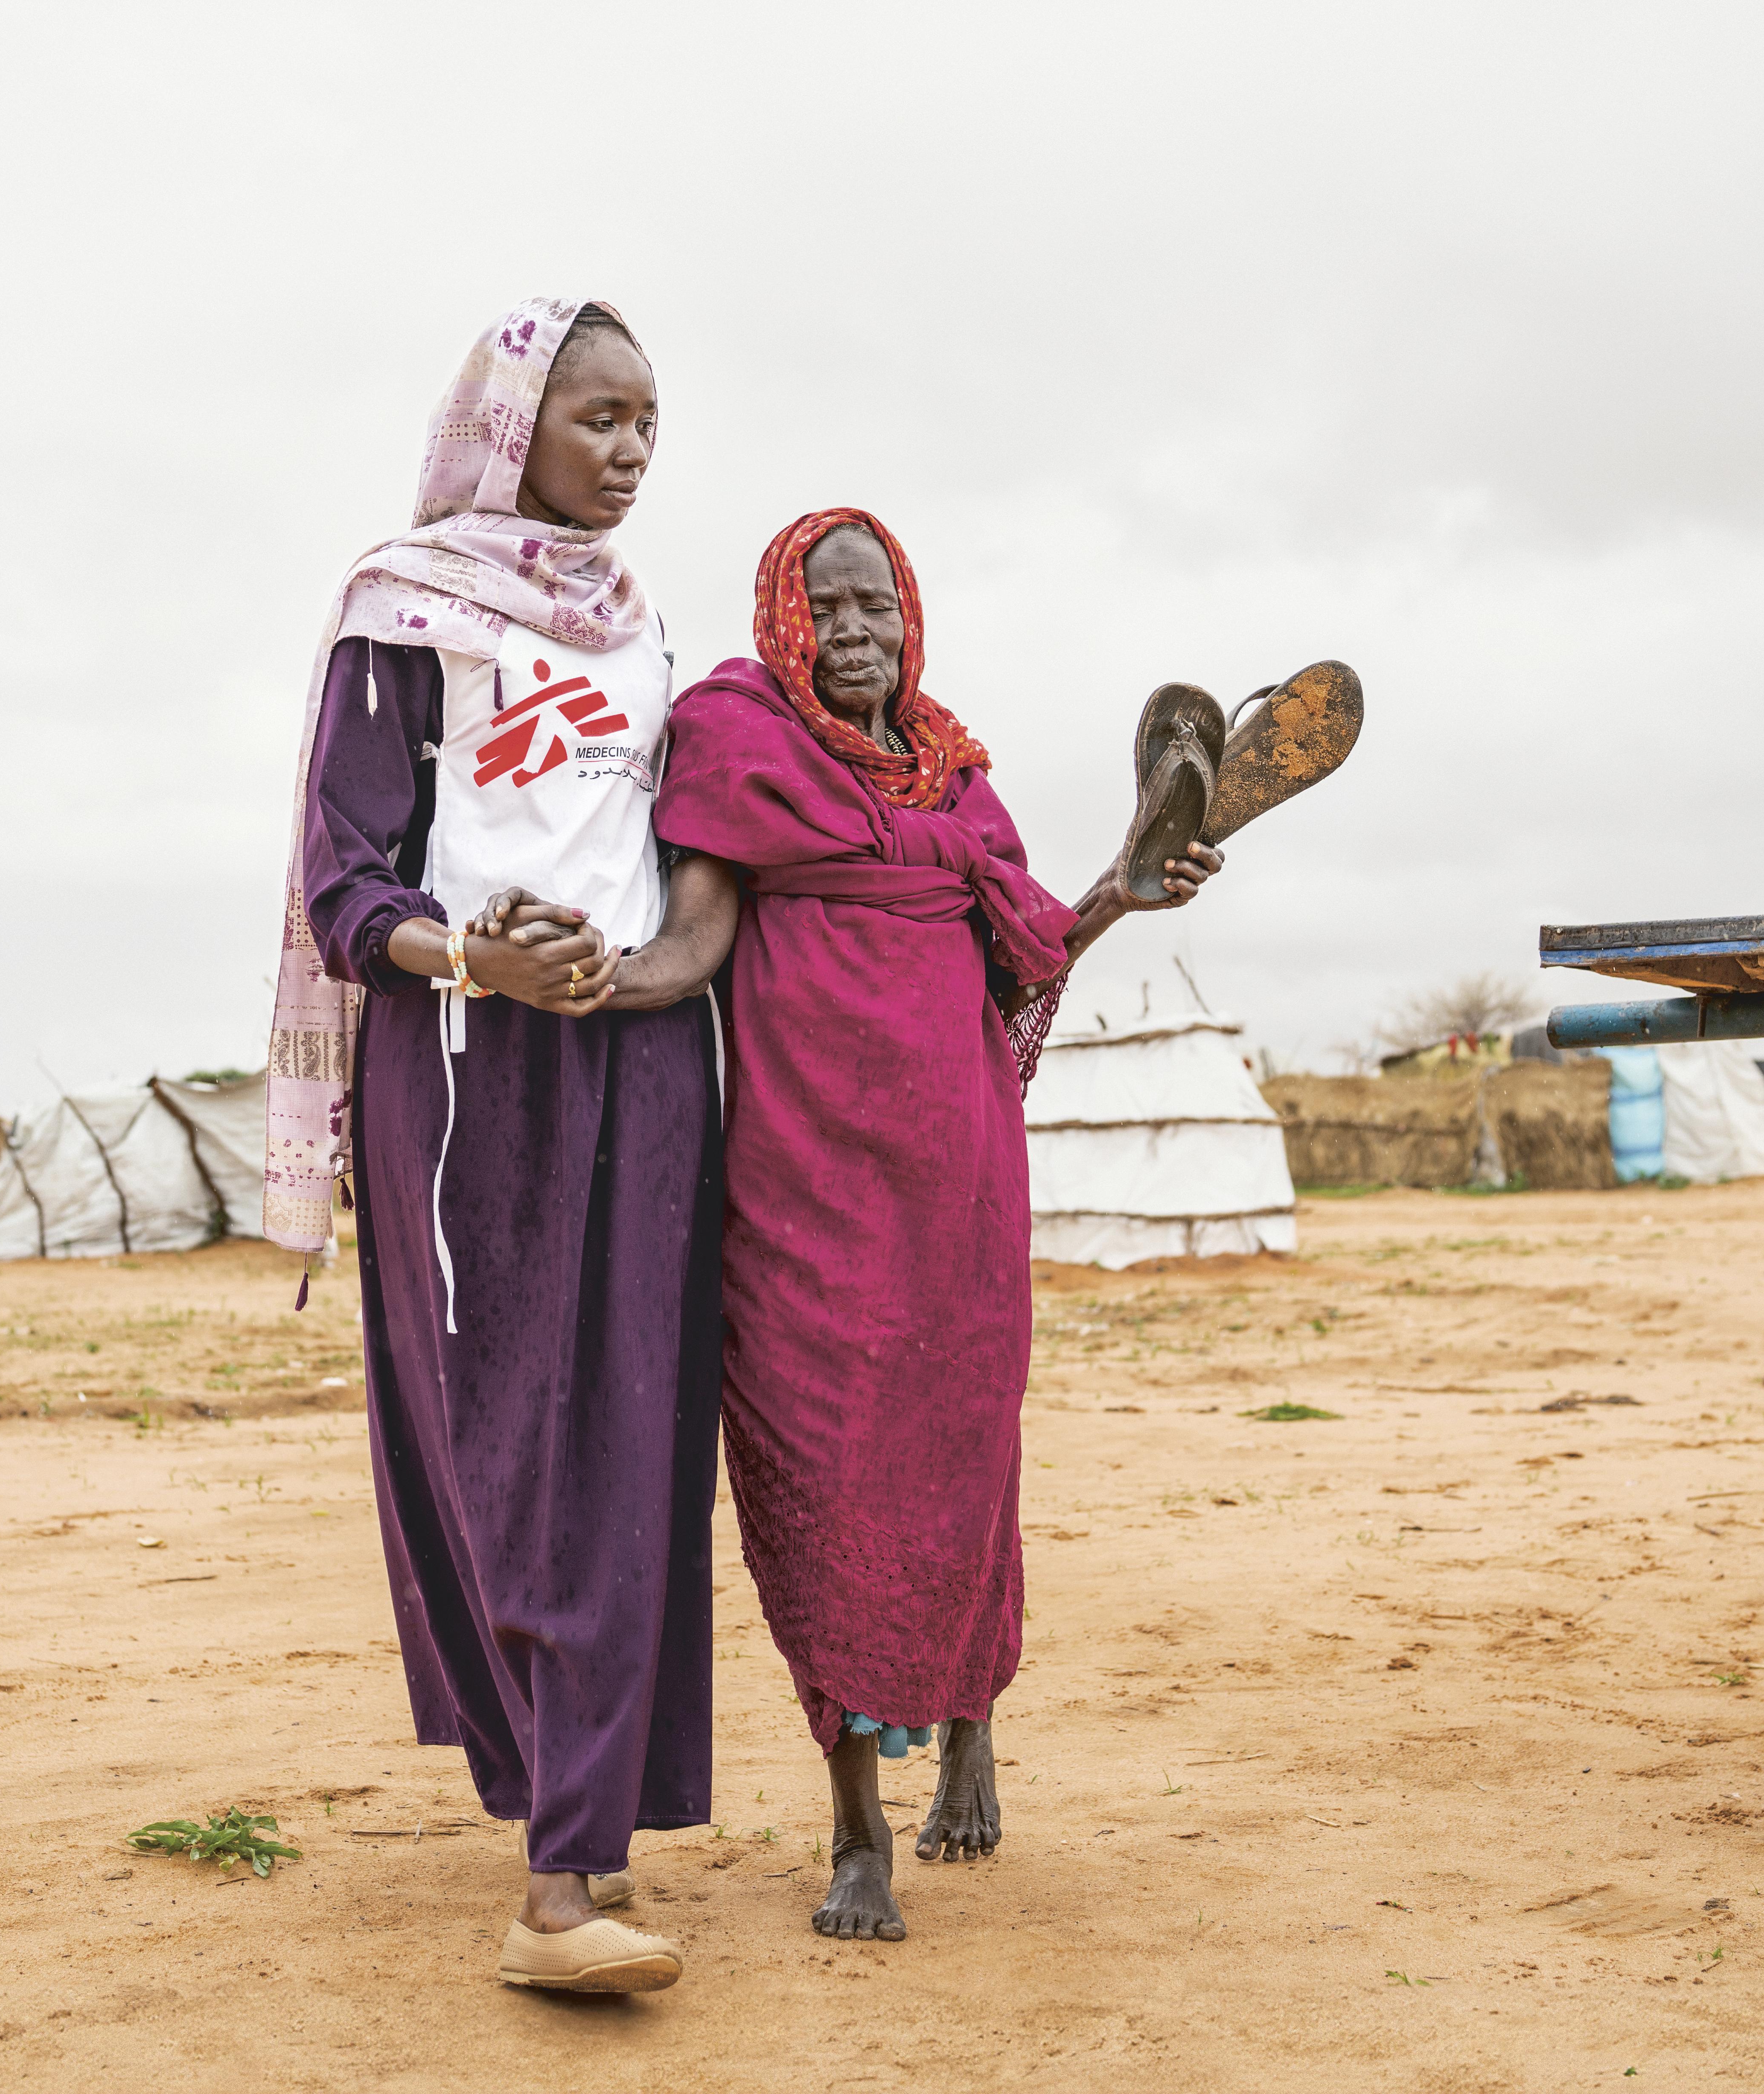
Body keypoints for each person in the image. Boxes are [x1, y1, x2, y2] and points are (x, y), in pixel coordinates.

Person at [618, 507, 1218, 1944]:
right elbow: (697, 942)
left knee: (960, 1467)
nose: (863, 634)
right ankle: (853, 1830)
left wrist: (1123, 892)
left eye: (883, 606)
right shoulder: (735, 745)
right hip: (800, 1187)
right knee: (818, 1475)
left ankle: (969, 1729)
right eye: (833, 609)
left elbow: (1026, 955)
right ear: (785, 620)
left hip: (954, 1184)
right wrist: (573, 983)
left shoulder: (961, 784)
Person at [264, 296, 721, 1993]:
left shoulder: (648, 630)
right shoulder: (407, 613)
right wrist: (481, 956)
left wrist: (649, 968)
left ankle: (573, 1860)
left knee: (630, 1438)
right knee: (516, 1444)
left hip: (649, 1069)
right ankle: (561, 1854)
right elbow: (345, 879)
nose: (628, 450)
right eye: (598, 416)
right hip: (467, 1075)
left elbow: (688, 847)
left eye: (648, 423)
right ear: (510, 423)